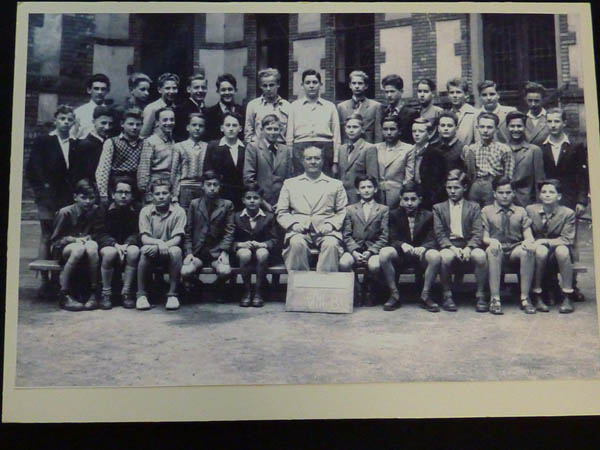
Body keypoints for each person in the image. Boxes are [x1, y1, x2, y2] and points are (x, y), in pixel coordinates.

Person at [26, 105, 77, 298]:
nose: (65, 122)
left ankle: (57, 279)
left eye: (69, 119)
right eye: (62, 118)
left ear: (73, 122)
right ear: (55, 120)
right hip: (47, 195)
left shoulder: (75, 143)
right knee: (47, 234)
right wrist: (42, 192)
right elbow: (33, 169)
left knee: (61, 234)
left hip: (66, 196)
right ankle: (44, 280)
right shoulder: (44, 141)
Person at [540, 107, 589, 302]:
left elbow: (582, 175)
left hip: (569, 198)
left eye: (557, 121)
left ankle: (572, 285)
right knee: (548, 239)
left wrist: (582, 200)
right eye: (549, 121)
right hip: (547, 198)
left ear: (564, 123)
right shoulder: (540, 146)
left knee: (570, 242)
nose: (553, 125)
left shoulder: (575, 145)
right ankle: (551, 284)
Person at [276, 146, 348, 272]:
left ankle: (324, 282)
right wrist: (293, 224)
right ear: (302, 161)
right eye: (309, 158)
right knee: (296, 243)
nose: (313, 162)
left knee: (331, 244)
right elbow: (281, 211)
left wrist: (331, 225)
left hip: (326, 230)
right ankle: (299, 281)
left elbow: (342, 210)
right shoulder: (290, 183)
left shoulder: (335, 184)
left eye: (317, 158)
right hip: (300, 230)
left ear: (322, 161)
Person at [433, 169, 488, 312]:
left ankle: (480, 295)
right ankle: (447, 294)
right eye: (449, 188)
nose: (452, 191)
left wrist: (469, 248)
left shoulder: (474, 207)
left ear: (464, 188)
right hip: (450, 245)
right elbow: (439, 233)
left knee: (480, 256)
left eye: (456, 188)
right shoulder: (438, 208)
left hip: (468, 244)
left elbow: (477, 232)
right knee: (445, 257)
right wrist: (451, 247)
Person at [482, 176, 537, 315]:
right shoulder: (486, 211)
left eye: (508, 192)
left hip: (514, 249)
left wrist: (528, 241)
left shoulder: (520, 211)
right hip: (497, 248)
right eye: (501, 193)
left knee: (527, 250)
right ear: (494, 194)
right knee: (493, 250)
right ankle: (495, 299)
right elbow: (484, 236)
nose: (505, 196)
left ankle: (525, 297)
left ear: (513, 193)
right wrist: (491, 241)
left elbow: (528, 234)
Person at [385, 182, 441, 312]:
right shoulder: (393, 215)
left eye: (413, 199)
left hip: (420, 253)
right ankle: (394, 293)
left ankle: (425, 294)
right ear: (401, 199)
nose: (409, 203)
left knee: (435, 256)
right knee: (384, 253)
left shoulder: (428, 215)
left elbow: (433, 237)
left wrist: (424, 247)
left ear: (420, 199)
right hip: (401, 254)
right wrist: (401, 245)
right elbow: (391, 237)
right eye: (406, 199)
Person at [50, 179, 102, 311]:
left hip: (87, 247)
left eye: (91, 198)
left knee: (92, 247)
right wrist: (73, 240)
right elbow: (56, 240)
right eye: (83, 198)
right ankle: (64, 294)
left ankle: (94, 292)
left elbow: (99, 233)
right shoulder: (65, 212)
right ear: (75, 197)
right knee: (78, 249)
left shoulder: (96, 210)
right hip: (64, 248)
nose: (88, 201)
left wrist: (90, 237)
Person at [527, 179, 577, 314]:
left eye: (551, 192)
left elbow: (566, 239)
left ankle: (567, 295)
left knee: (562, 250)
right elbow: (526, 230)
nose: (547, 195)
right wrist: (533, 242)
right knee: (541, 251)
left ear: (559, 196)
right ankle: (537, 294)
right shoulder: (531, 210)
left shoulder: (567, 213)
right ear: (539, 195)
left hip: (558, 250)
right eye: (544, 192)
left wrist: (543, 241)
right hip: (538, 251)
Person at [181, 170, 234, 295]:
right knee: (186, 271)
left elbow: (229, 231)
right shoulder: (194, 204)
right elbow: (188, 231)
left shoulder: (227, 205)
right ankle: (200, 287)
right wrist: (189, 253)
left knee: (225, 271)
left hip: (216, 251)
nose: (212, 188)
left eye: (215, 185)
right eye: (208, 184)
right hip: (198, 251)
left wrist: (224, 252)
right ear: (202, 186)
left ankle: (215, 287)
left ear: (220, 186)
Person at [136, 178, 186, 311]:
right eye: (157, 194)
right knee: (144, 250)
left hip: (169, 252)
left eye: (165, 193)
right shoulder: (145, 211)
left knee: (176, 251)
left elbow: (177, 239)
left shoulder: (179, 212)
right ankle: (141, 295)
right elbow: (144, 238)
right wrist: (158, 243)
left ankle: (172, 295)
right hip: (152, 249)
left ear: (171, 195)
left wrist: (163, 246)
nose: (161, 196)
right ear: (152, 196)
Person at [339, 175, 389, 307]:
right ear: (357, 190)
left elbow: (384, 236)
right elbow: (346, 235)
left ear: (375, 189)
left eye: (369, 187)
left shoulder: (383, 209)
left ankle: (370, 289)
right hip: (355, 249)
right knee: (344, 263)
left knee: (374, 265)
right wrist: (354, 251)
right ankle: (356, 290)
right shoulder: (350, 209)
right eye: (363, 187)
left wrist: (371, 251)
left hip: (373, 250)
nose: (366, 190)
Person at [94, 176, 141, 309]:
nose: (123, 196)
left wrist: (127, 244)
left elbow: (139, 232)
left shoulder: (137, 209)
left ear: (132, 196)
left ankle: (126, 292)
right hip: (109, 245)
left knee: (134, 251)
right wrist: (114, 244)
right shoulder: (103, 209)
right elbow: (99, 232)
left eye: (127, 193)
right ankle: (106, 293)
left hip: (128, 245)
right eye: (120, 192)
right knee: (110, 253)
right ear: (113, 194)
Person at [286, 69, 341, 177]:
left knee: (325, 182)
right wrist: (290, 159)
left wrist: (335, 161)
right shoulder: (294, 106)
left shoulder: (330, 106)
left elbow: (337, 135)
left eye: (315, 82)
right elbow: (289, 136)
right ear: (302, 85)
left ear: (320, 85)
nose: (311, 86)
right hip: (300, 148)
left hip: (325, 148)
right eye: (308, 82)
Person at [233, 183, 279, 307]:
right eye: (248, 198)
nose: (252, 201)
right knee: (245, 254)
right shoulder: (236, 217)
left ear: (261, 200)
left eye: (256, 198)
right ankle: (247, 292)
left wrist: (262, 244)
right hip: (243, 254)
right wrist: (240, 244)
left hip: (263, 255)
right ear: (243, 200)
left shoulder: (269, 217)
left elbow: (275, 239)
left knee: (262, 253)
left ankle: (258, 292)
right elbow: (230, 238)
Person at [462, 111, 515, 207]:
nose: (485, 130)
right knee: (473, 209)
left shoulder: (504, 149)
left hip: (494, 185)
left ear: (496, 129)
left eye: (489, 127)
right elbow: (469, 172)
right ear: (477, 128)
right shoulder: (472, 148)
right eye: (482, 127)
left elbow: (508, 175)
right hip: (476, 184)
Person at [243, 114, 293, 212]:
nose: (272, 132)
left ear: (280, 130)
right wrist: (263, 202)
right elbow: (249, 179)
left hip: (281, 203)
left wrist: (283, 201)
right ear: (262, 130)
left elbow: (289, 179)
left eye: (276, 129)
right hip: (259, 203)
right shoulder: (253, 148)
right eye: (269, 129)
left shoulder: (285, 150)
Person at [95, 107, 144, 205]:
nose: (134, 127)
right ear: (122, 124)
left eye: (138, 124)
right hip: (116, 184)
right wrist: (103, 194)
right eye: (131, 124)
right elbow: (103, 170)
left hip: (136, 186)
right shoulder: (112, 142)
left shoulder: (144, 143)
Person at [204, 111, 246, 210]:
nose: (231, 128)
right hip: (220, 195)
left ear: (240, 128)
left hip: (241, 195)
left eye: (234, 125)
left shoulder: (246, 147)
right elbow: (208, 170)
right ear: (222, 128)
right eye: (228, 125)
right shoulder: (213, 146)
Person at [405, 118, 447, 210]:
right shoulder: (408, 151)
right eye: (414, 131)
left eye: (420, 131)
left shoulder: (436, 153)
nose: (416, 134)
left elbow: (438, 181)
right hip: (410, 198)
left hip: (428, 199)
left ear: (429, 133)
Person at [505, 111, 545, 207]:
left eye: (519, 126)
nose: (516, 129)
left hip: (526, 201)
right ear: (507, 127)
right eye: (512, 126)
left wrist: (538, 205)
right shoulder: (502, 149)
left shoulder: (534, 150)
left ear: (525, 127)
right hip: (504, 199)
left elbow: (539, 181)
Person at [337, 113, 379, 204]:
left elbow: (372, 176)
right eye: (348, 127)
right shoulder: (341, 149)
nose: (351, 130)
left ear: (362, 129)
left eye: (355, 127)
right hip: (342, 196)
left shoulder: (369, 148)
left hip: (359, 197)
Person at [137, 107, 176, 204]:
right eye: (165, 120)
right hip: (154, 188)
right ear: (158, 122)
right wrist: (147, 193)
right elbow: (144, 169)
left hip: (169, 187)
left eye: (172, 120)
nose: (169, 123)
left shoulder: (173, 141)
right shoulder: (150, 142)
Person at [374, 115, 414, 209]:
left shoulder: (408, 149)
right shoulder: (375, 148)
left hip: (397, 196)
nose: (388, 133)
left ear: (399, 131)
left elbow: (409, 177)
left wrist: (402, 196)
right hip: (377, 195)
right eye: (385, 129)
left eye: (392, 129)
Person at [170, 113, 209, 208]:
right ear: (188, 127)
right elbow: (174, 172)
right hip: (184, 188)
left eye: (201, 126)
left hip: (202, 188)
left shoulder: (207, 147)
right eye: (194, 125)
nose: (197, 128)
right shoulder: (179, 146)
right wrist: (174, 195)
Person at [70, 105, 115, 188]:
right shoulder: (84, 145)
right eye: (103, 123)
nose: (107, 127)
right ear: (93, 122)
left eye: (110, 124)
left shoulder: (110, 142)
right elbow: (80, 175)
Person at [244, 68, 290, 146]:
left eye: (271, 85)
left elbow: (289, 134)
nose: (268, 89)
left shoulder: (287, 106)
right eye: (265, 86)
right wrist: (252, 148)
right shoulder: (253, 105)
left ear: (278, 84)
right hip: (259, 147)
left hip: (280, 147)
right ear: (260, 86)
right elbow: (248, 132)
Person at [337, 70, 383, 144]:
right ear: (350, 85)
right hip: (348, 147)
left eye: (360, 83)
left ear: (366, 86)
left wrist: (377, 148)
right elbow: (340, 133)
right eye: (354, 83)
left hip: (368, 146)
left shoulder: (375, 106)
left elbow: (378, 134)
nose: (357, 86)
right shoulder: (341, 107)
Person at [204, 73, 245, 142]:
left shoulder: (243, 111)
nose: (227, 93)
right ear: (218, 91)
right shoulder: (209, 113)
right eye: (223, 90)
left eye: (230, 89)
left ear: (235, 90)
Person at [381, 74, 419, 144]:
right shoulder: (384, 112)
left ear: (401, 92)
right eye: (386, 92)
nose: (389, 95)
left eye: (392, 91)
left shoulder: (412, 113)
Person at [71, 73, 111, 139]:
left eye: (103, 89)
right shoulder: (79, 112)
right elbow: (72, 136)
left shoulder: (111, 113)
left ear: (107, 91)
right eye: (96, 88)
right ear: (89, 90)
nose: (99, 92)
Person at [140, 72, 179, 138]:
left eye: (174, 88)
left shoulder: (176, 108)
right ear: (159, 90)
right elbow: (143, 136)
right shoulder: (152, 108)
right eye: (167, 88)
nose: (172, 91)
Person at [173, 73, 208, 142]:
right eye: (196, 87)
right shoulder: (180, 110)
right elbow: (177, 135)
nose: (200, 90)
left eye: (203, 88)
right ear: (189, 89)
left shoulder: (206, 109)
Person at [446, 77, 476, 146]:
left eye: (458, 92)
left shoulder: (474, 114)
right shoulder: (447, 115)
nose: (455, 95)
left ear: (466, 95)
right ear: (448, 95)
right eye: (452, 92)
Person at [524, 81, 550, 146]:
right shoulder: (522, 118)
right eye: (530, 100)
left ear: (543, 100)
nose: (533, 104)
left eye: (536, 101)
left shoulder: (550, 118)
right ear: (525, 99)